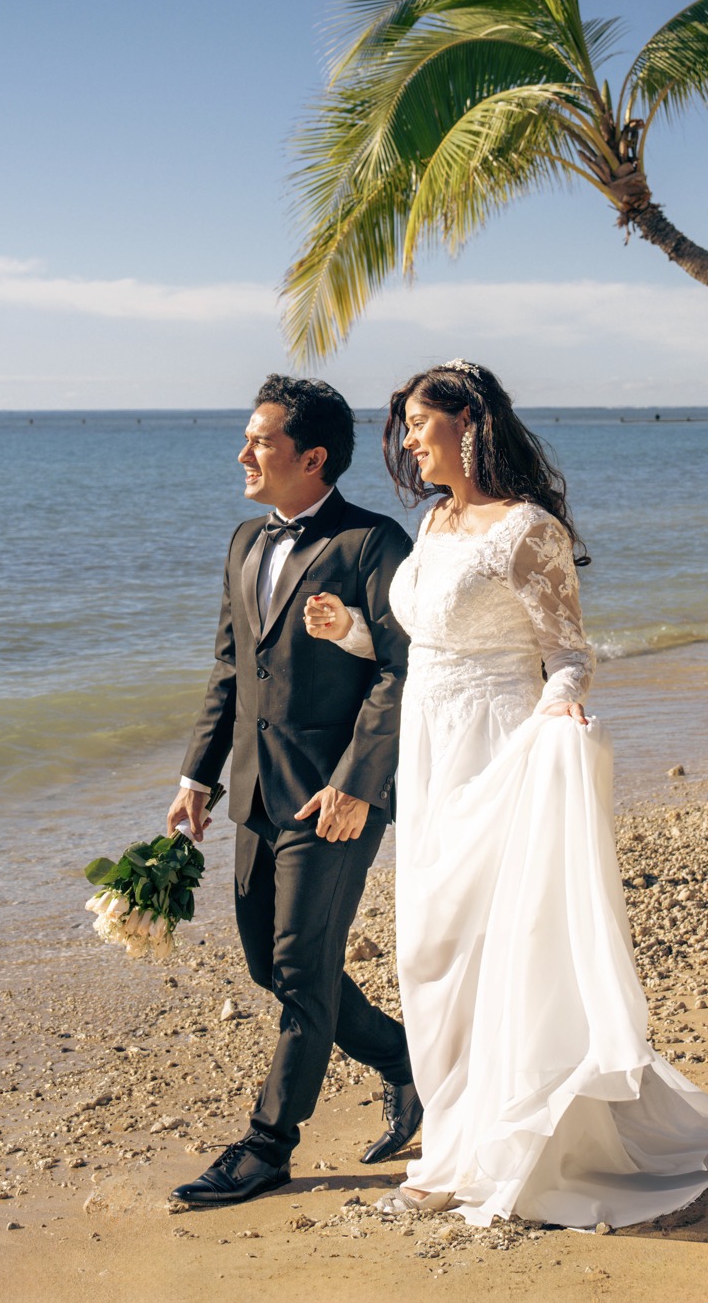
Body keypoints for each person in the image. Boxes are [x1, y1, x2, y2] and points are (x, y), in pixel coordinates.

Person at [314, 359, 708, 1228]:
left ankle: (482, 1151)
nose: (409, 441)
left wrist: (560, 715)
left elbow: (569, 654)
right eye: (406, 427)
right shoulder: (436, 523)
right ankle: (457, 1134)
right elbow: (422, 650)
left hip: (500, 748)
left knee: (493, 950)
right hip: (430, 751)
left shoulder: (526, 530)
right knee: (425, 949)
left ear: (469, 424)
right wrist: (349, 635)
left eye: (421, 423)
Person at [168, 375, 421, 1207]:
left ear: (311, 457)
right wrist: (196, 775)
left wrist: (358, 783)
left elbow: (401, 671)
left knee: (301, 968)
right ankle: (404, 1060)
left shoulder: (374, 543)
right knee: (263, 963)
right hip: (253, 792)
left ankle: (268, 1145)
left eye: (260, 441)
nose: (244, 453)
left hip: (336, 799)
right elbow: (230, 666)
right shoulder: (245, 540)